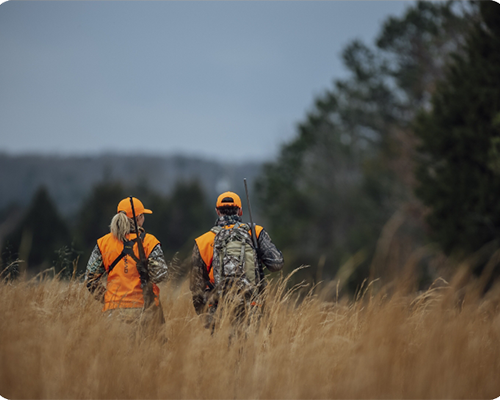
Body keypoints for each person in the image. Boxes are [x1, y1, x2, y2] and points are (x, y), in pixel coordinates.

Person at [190, 191, 284, 326]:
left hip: (217, 309)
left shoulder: (202, 241)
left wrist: (205, 315)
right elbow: (277, 264)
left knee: (223, 346)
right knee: (252, 346)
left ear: (217, 211)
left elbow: (195, 286)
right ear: (240, 211)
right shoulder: (255, 232)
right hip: (252, 306)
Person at [85, 196, 168, 327]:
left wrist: (108, 298)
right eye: (143, 215)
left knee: (115, 348)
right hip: (144, 309)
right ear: (139, 218)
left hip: (112, 313)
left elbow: (90, 279)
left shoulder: (103, 243)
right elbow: (161, 274)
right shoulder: (149, 242)